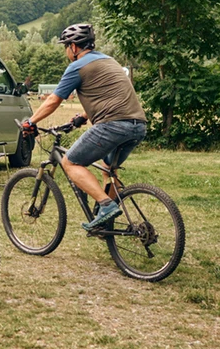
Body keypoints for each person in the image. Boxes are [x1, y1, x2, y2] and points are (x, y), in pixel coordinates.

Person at [22, 23, 147, 231]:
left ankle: (106, 206)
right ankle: (106, 222)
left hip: (112, 125)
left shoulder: (77, 67)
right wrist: (83, 116)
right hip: (137, 125)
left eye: (65, 46)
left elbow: (54, 100)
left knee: (70, 163)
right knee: (108, 169)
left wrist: (31, 122)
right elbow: (112, 96)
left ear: (73, 47)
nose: (65, 51)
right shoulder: (109, 61)